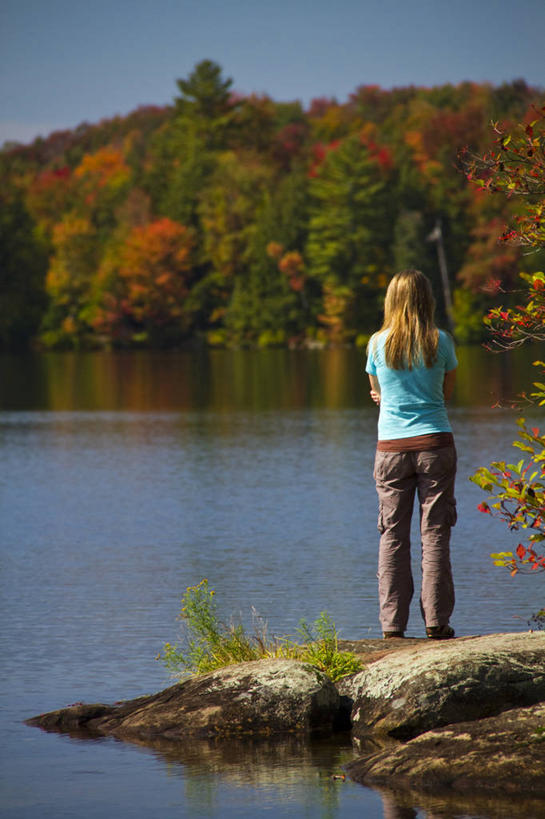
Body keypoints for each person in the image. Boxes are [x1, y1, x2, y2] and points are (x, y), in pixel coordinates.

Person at [365, 269, 457, 640]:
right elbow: (444, 394)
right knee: (434, 533)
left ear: (391, 300)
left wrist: (386, 399)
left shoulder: (376, 344)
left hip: (390, 450)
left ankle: (392, 627)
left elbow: (378, 392)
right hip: (434, 445)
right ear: (427, 300)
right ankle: (436, 622)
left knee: (392, 536)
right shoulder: (441, 341)